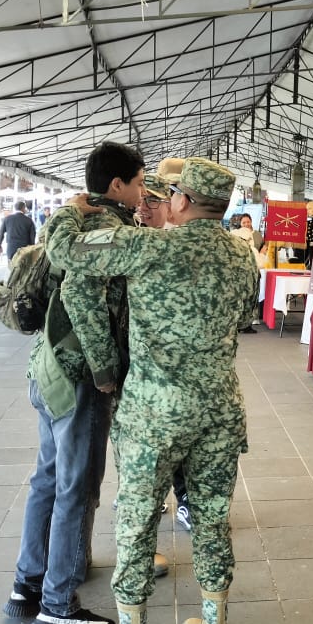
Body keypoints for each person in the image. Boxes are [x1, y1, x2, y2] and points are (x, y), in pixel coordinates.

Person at [45, 156, 259, 624]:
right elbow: (245, 317)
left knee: (138, 520)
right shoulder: (243, 255)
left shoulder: (148, 247)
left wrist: (71, 211)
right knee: (211, 519)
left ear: (181, 200)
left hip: (153, 413)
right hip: (218, 409)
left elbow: (63, 252)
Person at [5, 141, 161, 624]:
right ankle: (57, 605)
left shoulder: (73, 221)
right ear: (117, 184)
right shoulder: (107, 229)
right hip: (77, 377)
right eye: (139, 183)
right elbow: (80, 294)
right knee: (77, 486)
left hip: (48, 368)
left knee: (49, 478)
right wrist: (105, 370)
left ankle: (28, 584)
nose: (143, 193)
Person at [140, 166, 194, 534]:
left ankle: (185, 498)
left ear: (171, 205)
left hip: (175, 366)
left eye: (154, 201)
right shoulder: (128, 240)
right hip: (136, 363)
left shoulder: (180, 245)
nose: (144, 208)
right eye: (140, 201)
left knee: (178, 438)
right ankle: (151, 495)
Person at [230, 214, 264, 334]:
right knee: (248, 301)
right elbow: (261, 264)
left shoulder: (234, 248)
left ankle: (237, 324)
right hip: (249, 280)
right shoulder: (251, 249)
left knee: (238, 300)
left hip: (239, 278)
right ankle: (245, 325)